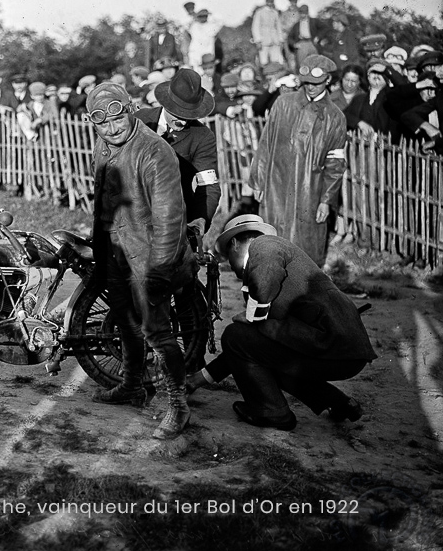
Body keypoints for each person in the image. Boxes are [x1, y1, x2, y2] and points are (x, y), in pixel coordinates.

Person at [186, 215, 376, 430]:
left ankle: (272, 413)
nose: (229, 263)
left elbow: (247, 326)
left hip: (331, 344)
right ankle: (338, 402)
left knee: (235, 334)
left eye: (228, 255)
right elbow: (245, 351)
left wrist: (251, 316)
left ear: (235, 243)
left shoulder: (264, 246)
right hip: (346, 351)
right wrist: (197, 380)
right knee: (258, 351)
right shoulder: (272, 260)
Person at [87, 82, 197, 440]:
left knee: (157, 332)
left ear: (131, 110)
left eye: (118, 118)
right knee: (124, 322)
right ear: (94, 124)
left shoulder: (155, 151)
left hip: (149, 257)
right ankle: (133, 385)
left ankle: (178, 406)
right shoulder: (103, 146)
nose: (113, 128)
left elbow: (170, 219)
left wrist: (159, 272)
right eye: (103, 123)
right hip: (116, 250)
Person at [249, 54, 347, 267]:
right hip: (277, 183)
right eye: (307, 83)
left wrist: (326, 200)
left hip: (310, 190)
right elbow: (266, 143)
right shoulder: (283, 104)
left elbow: (335, 165)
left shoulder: (335, 117)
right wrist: (258, 180)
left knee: (305, 251)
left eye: (317, 83)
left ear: (328, 81)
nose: (311, 88)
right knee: (271, 242)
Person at [133, 68, 221, 236]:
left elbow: (208, 185)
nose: (181, 120)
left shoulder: (202, 137)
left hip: (174, 220)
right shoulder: (140, 121)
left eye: (188, 115)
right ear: (166, 103)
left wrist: (201, 218)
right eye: (176, 112)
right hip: (134, 212)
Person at [251, 0, 285, 66]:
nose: (270, 3)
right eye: (269, 1)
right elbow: (255, 27)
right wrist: (258, 41)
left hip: (274, 40)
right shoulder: (259, 12)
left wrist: (281, 39)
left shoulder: (275, 12)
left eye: (272, 1)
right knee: (264, 62)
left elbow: (279, 27)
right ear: (266, 1)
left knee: (276, 61)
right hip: (264, 40)